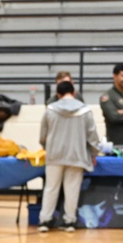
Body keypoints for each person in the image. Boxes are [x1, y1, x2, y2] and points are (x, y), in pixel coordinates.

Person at [37, 80, 100, 232]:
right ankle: (69, 222)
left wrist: (47, 146)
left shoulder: (50, 110)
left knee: (51, 188)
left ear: (58, 94)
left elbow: (43, 136)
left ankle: (45, 220)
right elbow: (92, 136)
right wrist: (93, 153)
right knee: (72, 189)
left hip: (54, 155)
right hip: (76, 156)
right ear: (74, 92)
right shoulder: (85, 110)